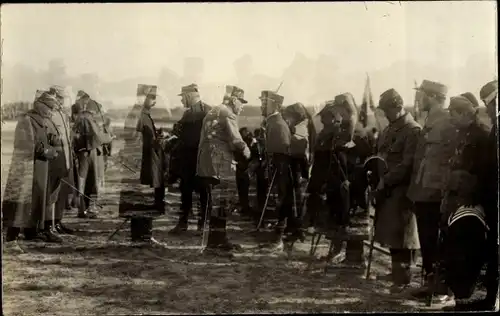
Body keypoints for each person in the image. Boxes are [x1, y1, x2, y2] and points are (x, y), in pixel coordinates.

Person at [406, 80, 457, 304]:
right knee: (427, 239)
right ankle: (430, 284)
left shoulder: (447, 122)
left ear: (434, 97)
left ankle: (443, 289)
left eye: (422, 95)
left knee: (437, 241)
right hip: (423, 190)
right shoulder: (430, 120)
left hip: (437, 192)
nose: (419, 99)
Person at [372, 89, 421, 293]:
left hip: (402, 190)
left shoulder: (412, 130)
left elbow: (407, 163)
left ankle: (403, 279)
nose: (385, 115)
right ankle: (396, 272)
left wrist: (387, 180)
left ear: (399, 107)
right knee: (392, 233)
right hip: (387, 188)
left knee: (404, 236)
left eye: (388, 111)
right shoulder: (389, 129)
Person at [3, 90, 66, 245]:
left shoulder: (41, 121)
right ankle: (13, 235)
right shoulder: (27, 120)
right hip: (27, 169)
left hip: (40, 167)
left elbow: (41, 139)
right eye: (49, 108)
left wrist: (52, 141)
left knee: (37, 200)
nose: (51, 112)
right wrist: (48, 151)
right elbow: (25, 144)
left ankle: (32, 231)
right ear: (41, 106)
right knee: (22, 202)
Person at [196, 85, 251, 255]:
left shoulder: (215, 110)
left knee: (217, 203)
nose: (242, 107)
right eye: (241, 102)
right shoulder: (227, 113)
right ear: (234, 100)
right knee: (222, 203)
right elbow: (236, 140)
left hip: (208, 164)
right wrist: (248, 151)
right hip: (219, 164)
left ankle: (219, 240)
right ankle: (215, 244)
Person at [169, 84, 211, 234]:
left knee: (204, 193)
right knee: (185, 191)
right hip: (187, 160)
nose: (181, 101)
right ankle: (183, 223)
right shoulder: (188, 114)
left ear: (189, 96)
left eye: (182, 97)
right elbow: (181, 132)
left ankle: (203, 224)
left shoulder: (207, 111)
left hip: (201, 160)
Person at [72, 91, 105, 219]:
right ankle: (84, 209)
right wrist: (107, 138)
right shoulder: (85, 117)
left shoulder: (84, 117)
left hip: (87, 152)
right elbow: (99, 137)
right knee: (85, 181)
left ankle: (85, 209)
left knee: (86, 181)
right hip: (87, 153)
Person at [49, 85, 76, 234]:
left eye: (63, 99)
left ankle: (58, 221)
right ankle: (50, 223)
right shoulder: (51, 114)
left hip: (66, 158)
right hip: (56, 158)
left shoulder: (63, 114)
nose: (62, 101)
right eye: (60, 98)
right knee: (53, 193)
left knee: (63, 192)